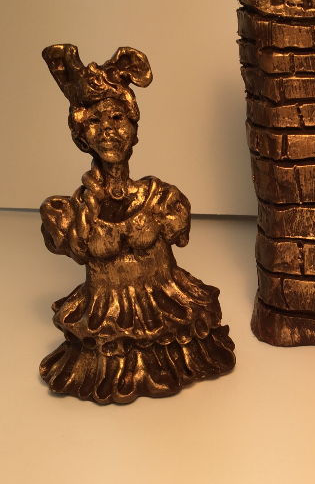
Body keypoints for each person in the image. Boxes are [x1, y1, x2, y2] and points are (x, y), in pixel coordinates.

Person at [39, 44, 235, 404]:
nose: (108, 130)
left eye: (117, 118)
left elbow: (179, 235)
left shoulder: (161, 198)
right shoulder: (69, 211)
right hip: (105, 319)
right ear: (81, 137)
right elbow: (77, 248)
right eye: (94, 122)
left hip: (166, 309)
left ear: (134, 129)